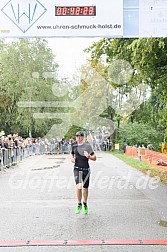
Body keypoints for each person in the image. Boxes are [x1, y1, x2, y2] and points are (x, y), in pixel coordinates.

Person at [70, 131, 96, 214]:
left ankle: (85, 203)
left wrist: (89, 156)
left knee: (85, 188)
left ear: (83, 137)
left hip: (86, 169)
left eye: (79, 136)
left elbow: (94, 157)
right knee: (79, 186)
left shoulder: (87, 146)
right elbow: (71, 153)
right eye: (76, 136)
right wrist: (72, 158)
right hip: (77, 169)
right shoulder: (74, 145)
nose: (78, 138)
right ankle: (79, 204)